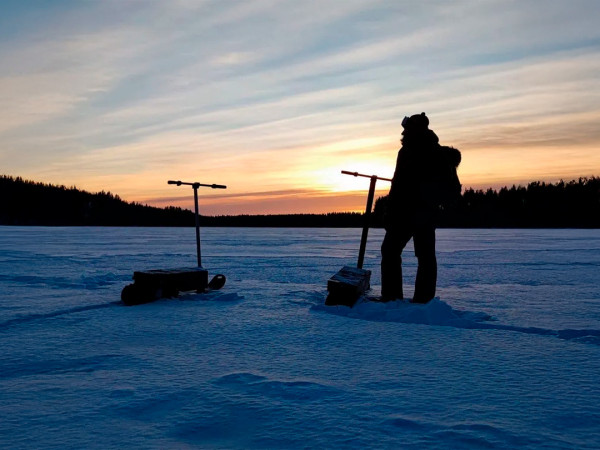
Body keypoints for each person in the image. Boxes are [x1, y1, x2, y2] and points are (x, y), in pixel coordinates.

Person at [381, 113, 461, 303]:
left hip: (411, 212)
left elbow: (399, 185)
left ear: (414, 130)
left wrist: (391, 210)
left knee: (394, 251)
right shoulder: (430, 151)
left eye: (406, 128)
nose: (403, 132)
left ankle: (395, 298)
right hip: (421, 213)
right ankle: (420, 300)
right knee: (422, 257)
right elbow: (398, 184)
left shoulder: (415, 151)